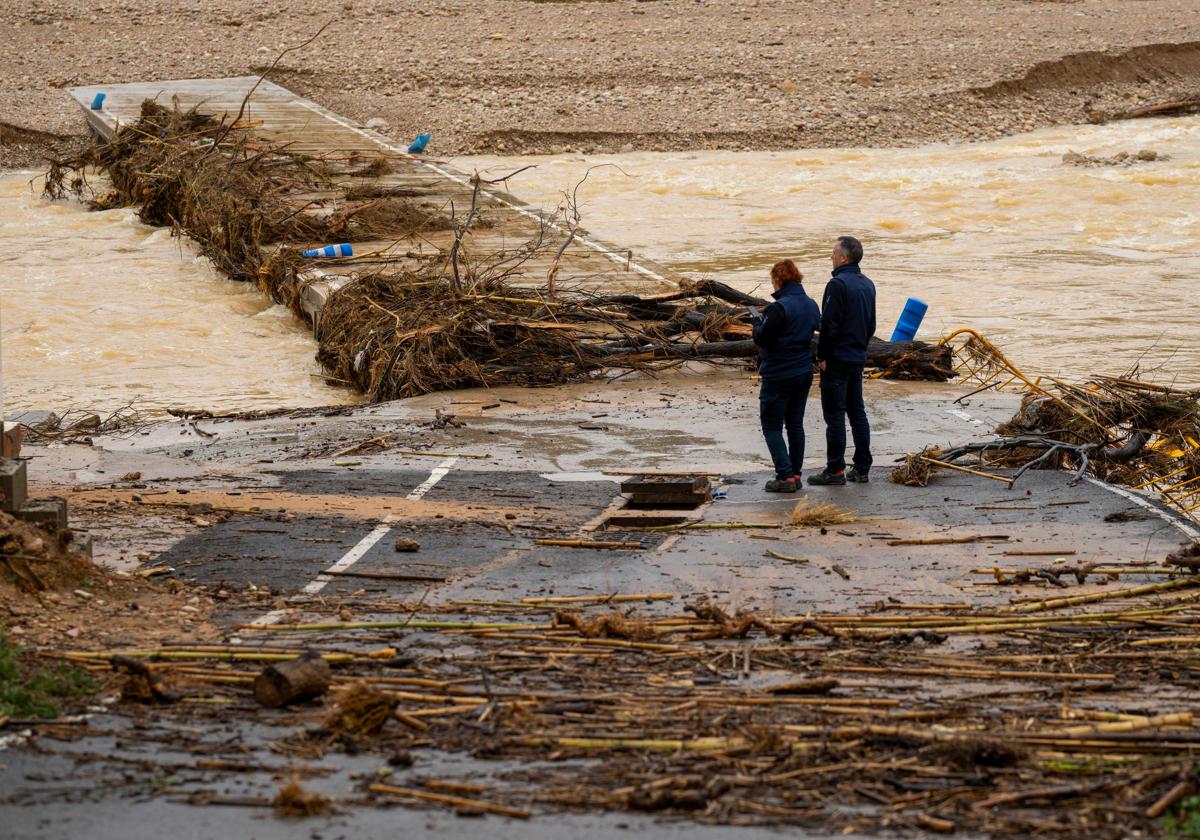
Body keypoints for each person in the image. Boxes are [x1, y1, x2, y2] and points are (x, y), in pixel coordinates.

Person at [809, 236, 876, 486]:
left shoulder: (837, 285)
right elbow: (871, 325)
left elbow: (829, 326)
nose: (831, 257)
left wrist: (822, 356)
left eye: (833, 253)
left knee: (835, 414)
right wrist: (859, 347)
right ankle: (861, 467)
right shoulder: (868, 284)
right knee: (857, 411)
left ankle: (835, 469)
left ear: (844, 257)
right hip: (857, 356)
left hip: (837, 358)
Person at [752, 259, 821, 492]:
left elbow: (761, 338)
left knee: (771, 425)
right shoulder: (811, 305)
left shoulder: (778, 308)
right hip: (803, 371)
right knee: (795, 425)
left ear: (778, 280)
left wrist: (757, 322)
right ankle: (796, 473)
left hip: (779, 372)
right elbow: (815, 329)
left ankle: (785, 476)